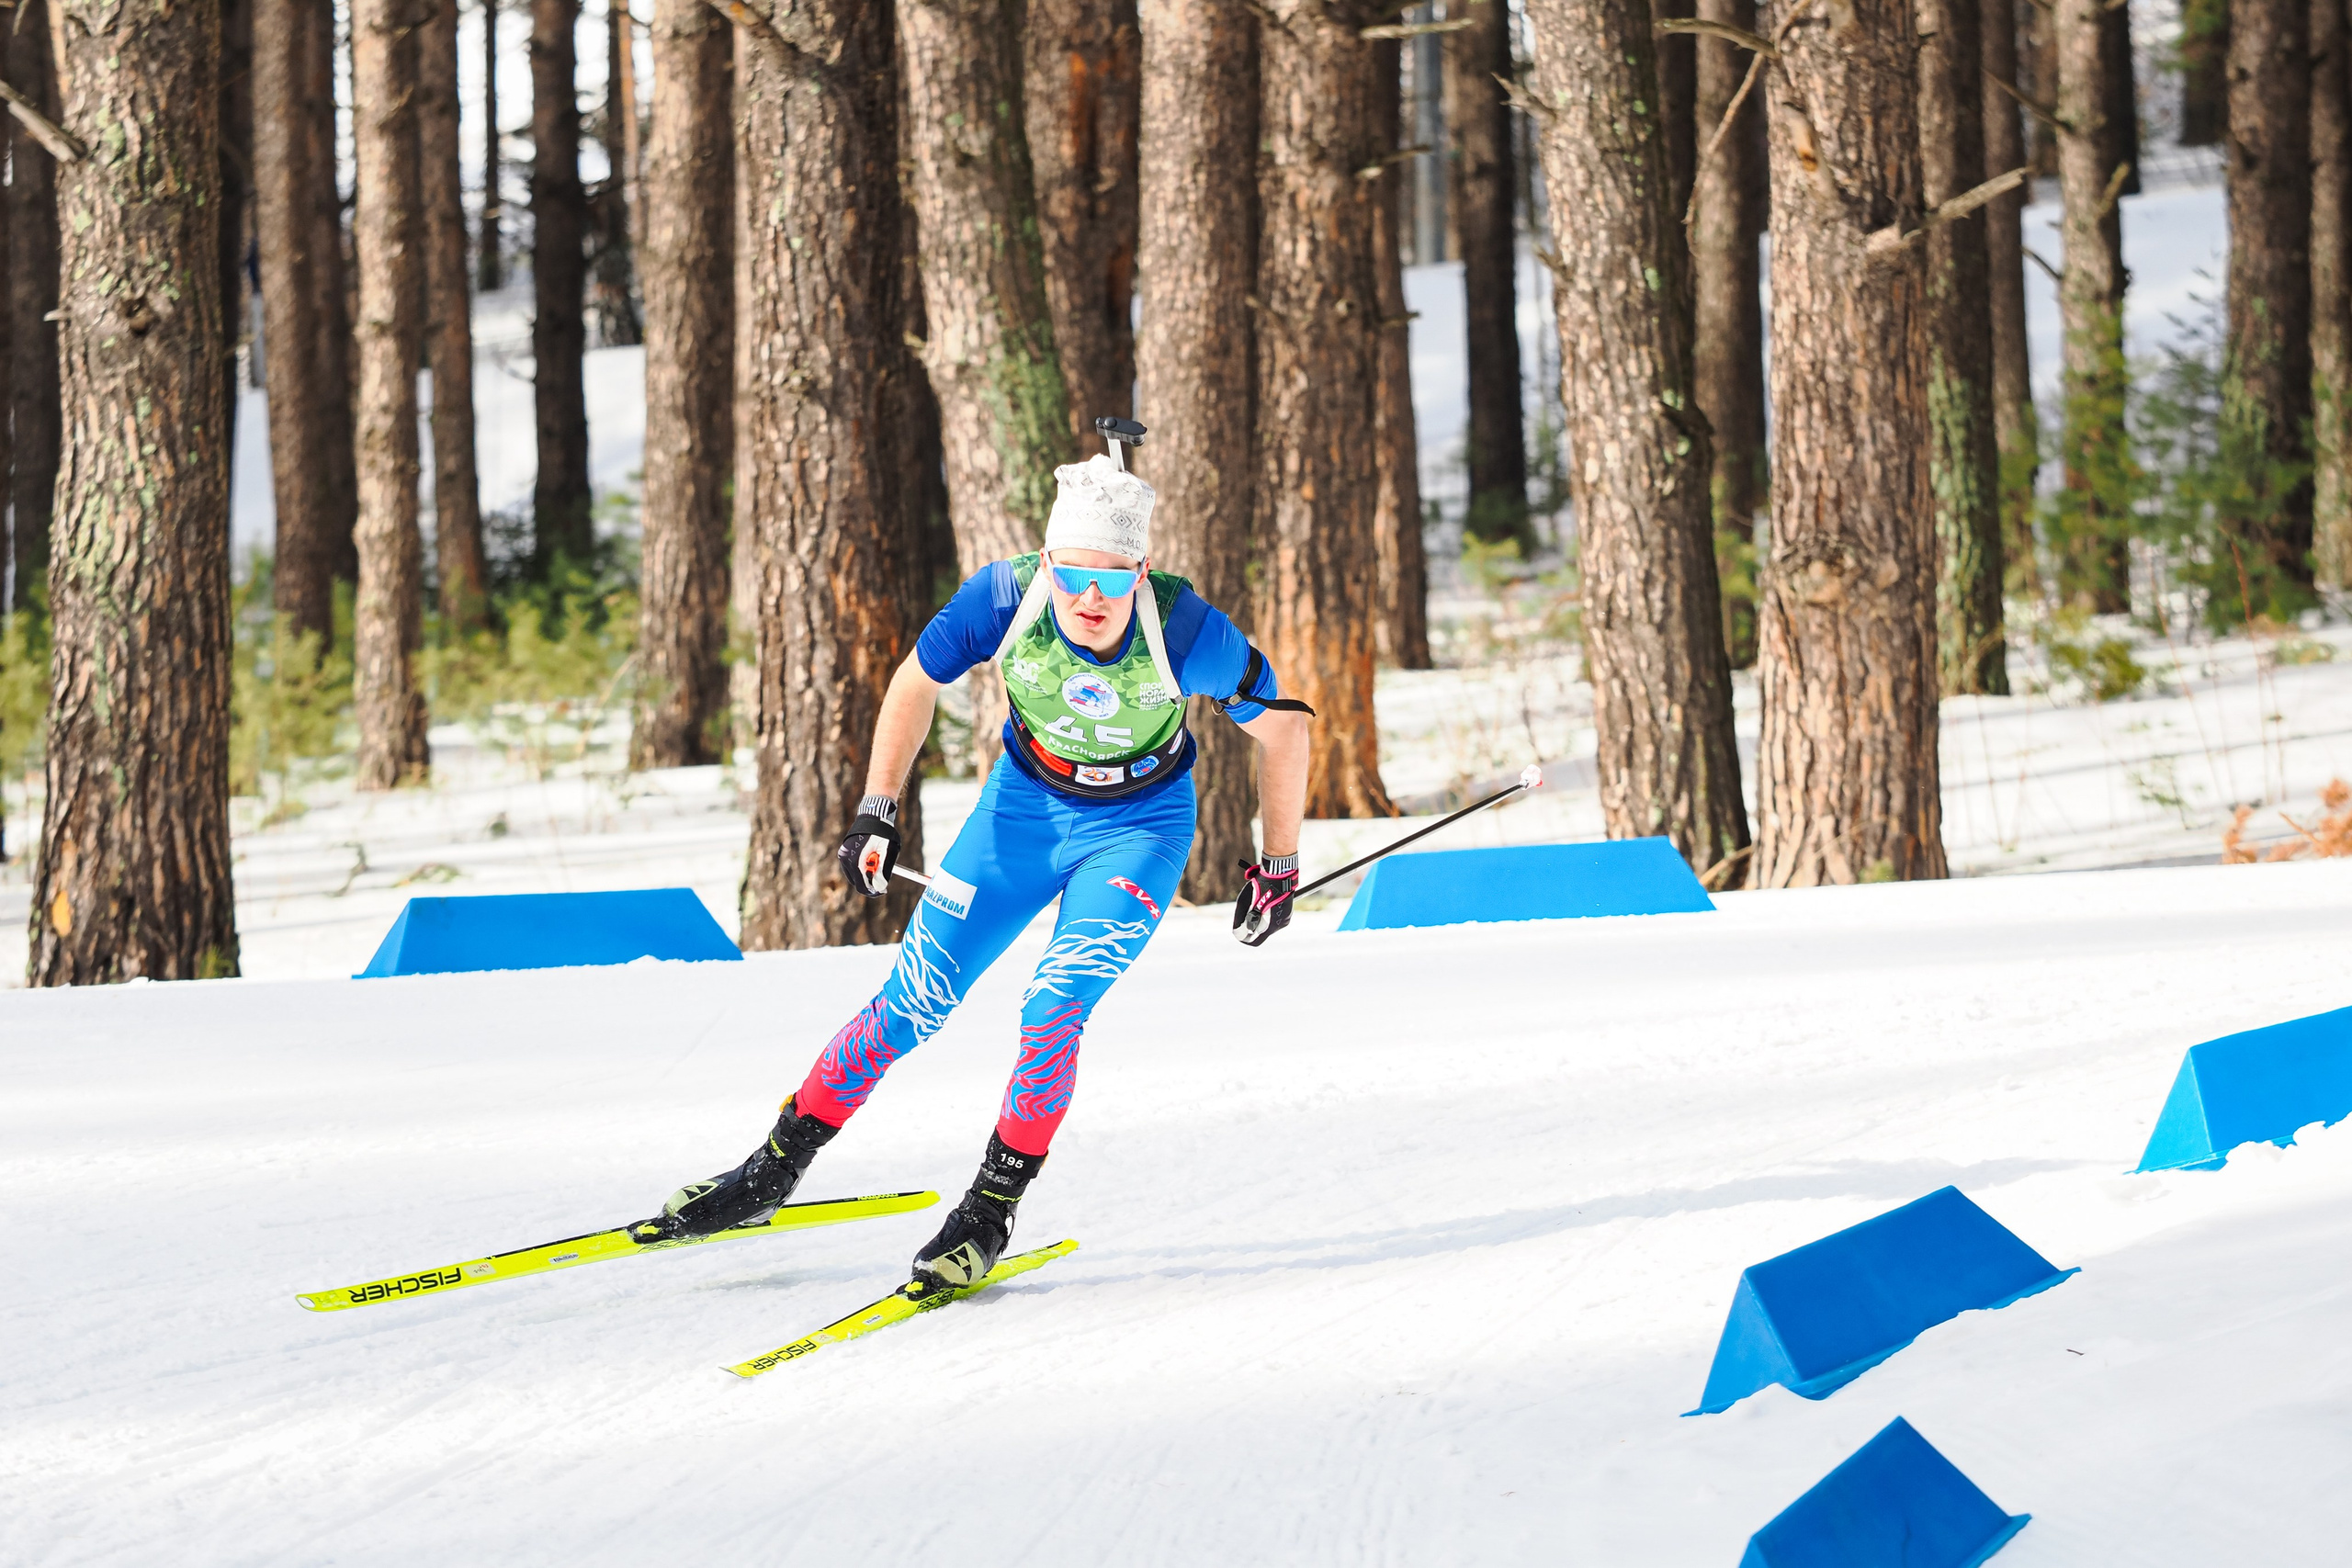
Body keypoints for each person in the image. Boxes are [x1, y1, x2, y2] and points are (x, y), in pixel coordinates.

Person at [650, 435, 1314, 1292]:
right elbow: (913, 683)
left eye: (1111, 579)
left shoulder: (1184, 626)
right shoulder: (1003, 594)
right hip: (1022, 811)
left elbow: (1286, 724)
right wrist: (877, 806)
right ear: (1048, 561)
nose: (1088, 599)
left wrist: (1280, 861)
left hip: (1140, 827)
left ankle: (988, 1210)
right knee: (913, 999)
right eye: (1072, 575)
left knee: (1055, 1005)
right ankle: (771, 1170)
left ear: (1141, 571)